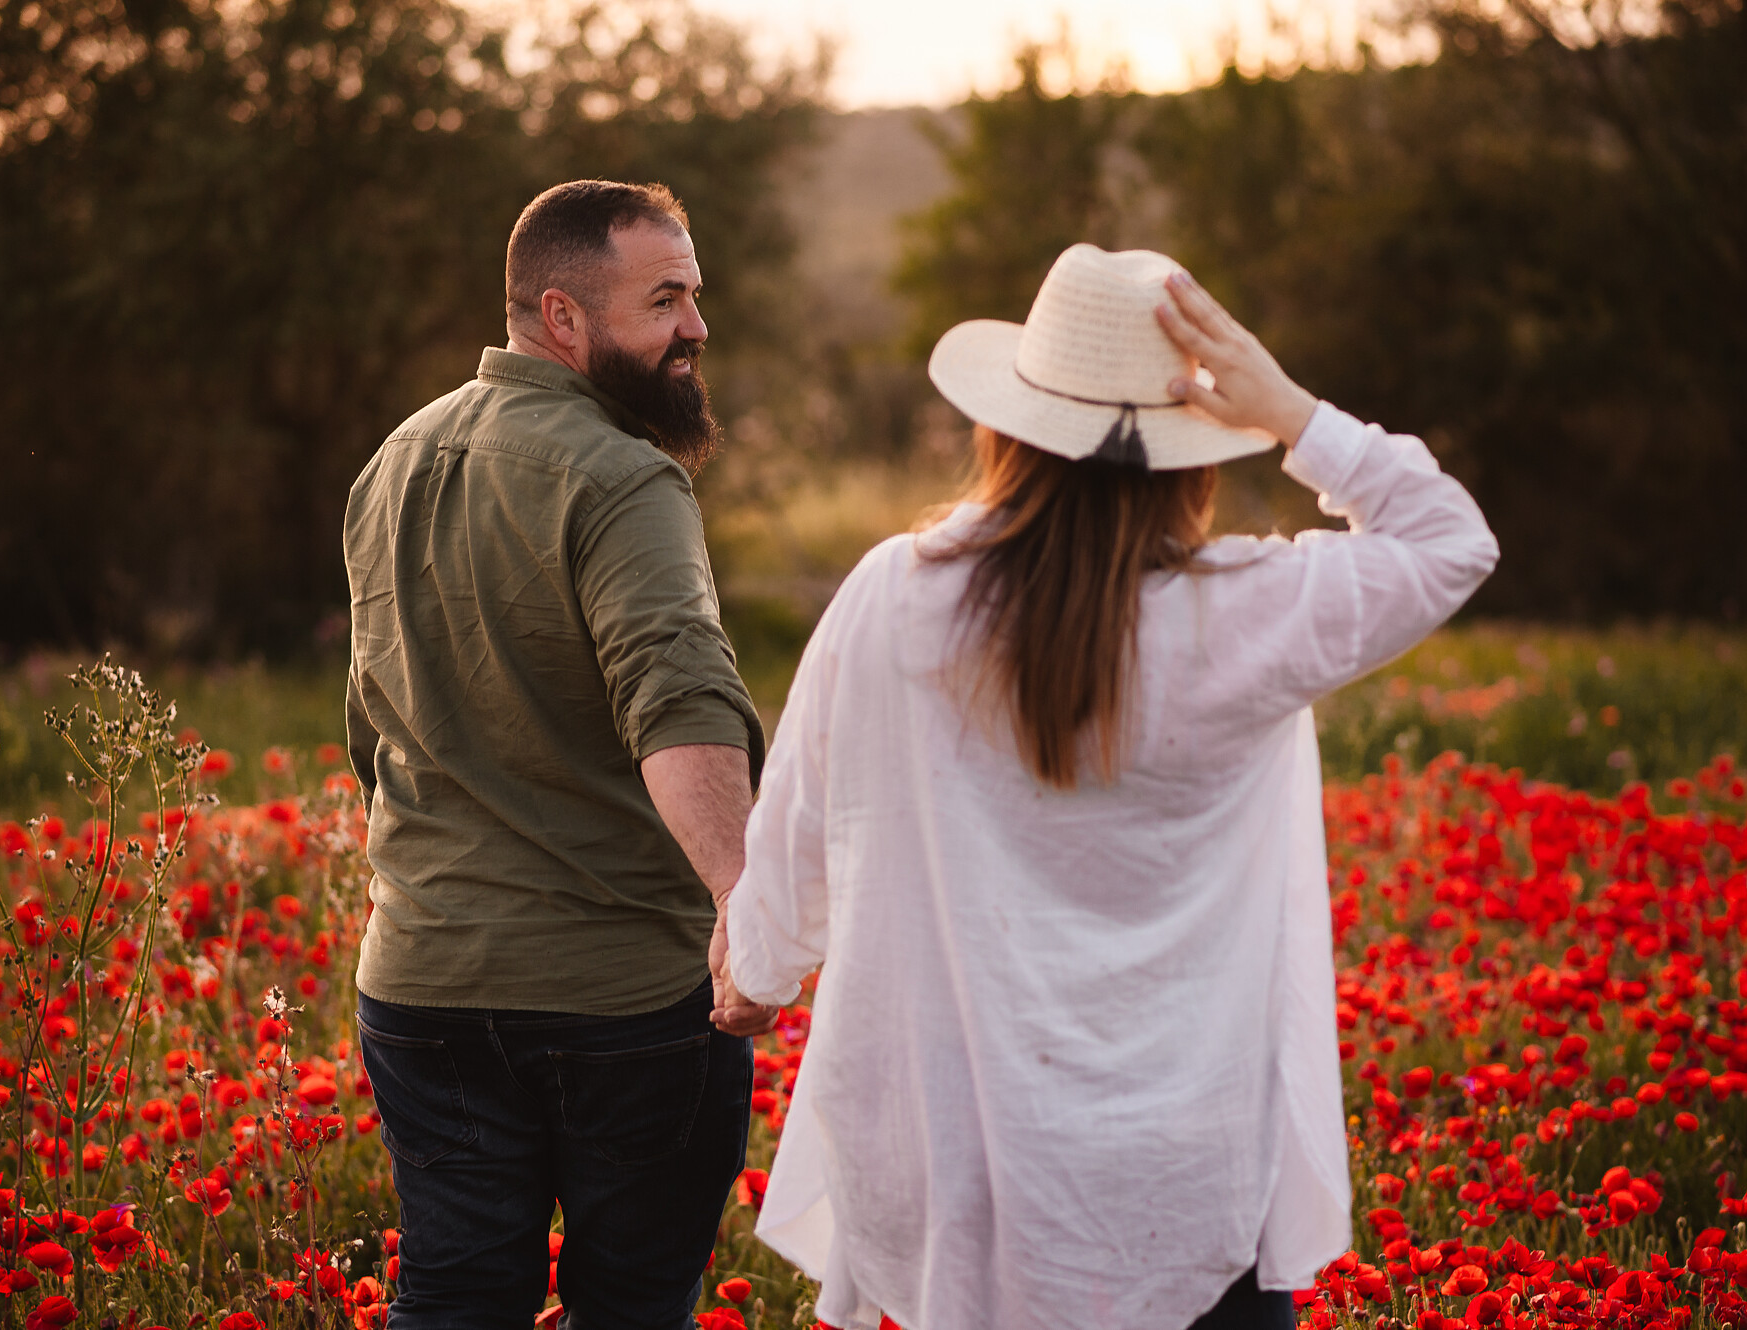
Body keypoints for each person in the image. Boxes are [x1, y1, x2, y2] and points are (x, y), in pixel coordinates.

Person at [715, 244, 1500, 1330]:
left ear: (1008, 429)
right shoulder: (1249, 611)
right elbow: (1448, 541)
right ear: (1194, 457)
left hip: (959, 1162)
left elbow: (804, 814)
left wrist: (756, 968)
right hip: (1181, 1179)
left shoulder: (897, 595)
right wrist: (1292, 412)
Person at [344, 179, 780, 1330]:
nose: (695, 327)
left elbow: (370, 725)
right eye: (665, 301)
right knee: (630, 1309)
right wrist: (744, 902)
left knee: (451, 1300)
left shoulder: (394, 459)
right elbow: (678, 701)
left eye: (693, 296)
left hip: (421, 987)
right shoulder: (624, 476)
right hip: (622, 1006)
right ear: (562, 315)